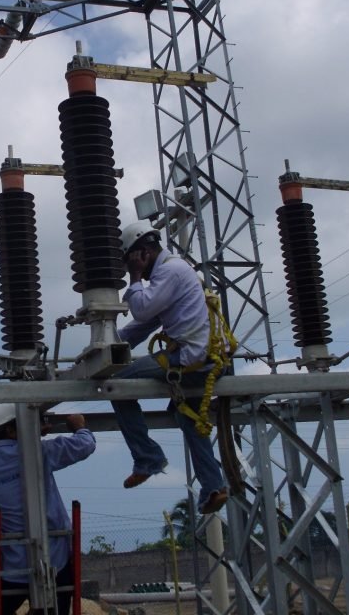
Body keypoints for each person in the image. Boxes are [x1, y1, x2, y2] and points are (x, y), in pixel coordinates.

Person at [111, 220, 228, 514]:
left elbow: (141, 308)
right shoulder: (174, 272)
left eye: (130, 263)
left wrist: (135, 278)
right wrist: (109, 346)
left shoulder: (170, 271)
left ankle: (147, 458)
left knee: (118, 384)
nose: (129, 270)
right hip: (203, 358)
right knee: (189, 418)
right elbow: (143, 324)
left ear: (143, 253)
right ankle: (214, 487)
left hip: (190, 358)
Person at [0, 404, 95, 615]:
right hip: (54, 561)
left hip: (11, 566)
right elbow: (85, 445)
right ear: (12, 430)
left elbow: (15, 461)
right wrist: (79, 427)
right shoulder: (40, 452)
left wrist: (30, 433)